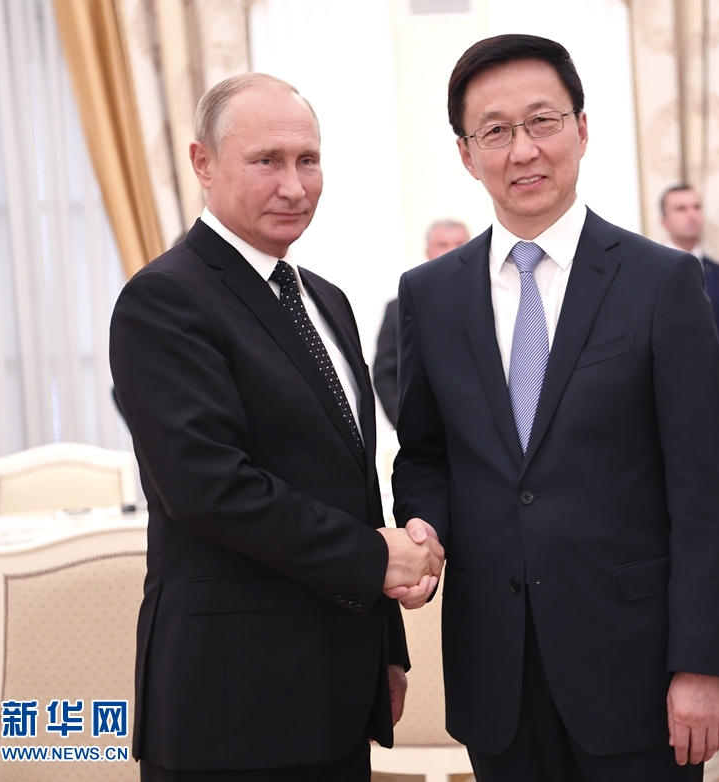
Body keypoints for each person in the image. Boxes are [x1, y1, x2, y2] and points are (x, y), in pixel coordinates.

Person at [390, 35, 719, 782]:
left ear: (581, 129)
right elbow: (425, 454)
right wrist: (425, 526)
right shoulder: (430, 295)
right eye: (495, 131)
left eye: (542, 121)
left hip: (636, 666)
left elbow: (705, 489)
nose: (523, 150)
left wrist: (702, 662)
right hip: (496, 668)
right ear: (466, 154)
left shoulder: (662, 282)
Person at [109, 73, 443, 782]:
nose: (294, 186)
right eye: (267, 161)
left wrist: (385, 648)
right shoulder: (164, 299)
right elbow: (208, 488)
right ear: (202, 163)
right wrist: (373, 558)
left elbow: (352, 484)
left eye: (308, 160)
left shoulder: (326, 299)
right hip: (232, 700)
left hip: (337, 687)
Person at [660, 184, 719, 442]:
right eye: (681, 209)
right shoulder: (650, 271)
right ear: (664, 221)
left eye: (696, 207)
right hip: (668, 402)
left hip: (717, 400)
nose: (692, 215)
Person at [373, 220, 470, 426]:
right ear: (428, 252)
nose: (451, 251)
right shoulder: (399, 308)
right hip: (426, 431)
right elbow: (385, 374)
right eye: (442, 245)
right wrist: (408, 425)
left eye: (459, 244)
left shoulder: (493, 300)